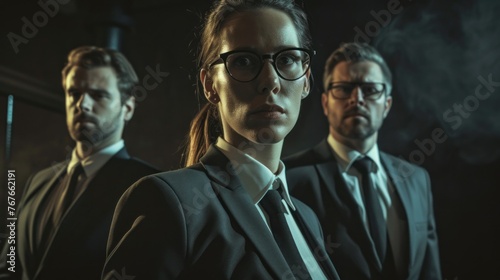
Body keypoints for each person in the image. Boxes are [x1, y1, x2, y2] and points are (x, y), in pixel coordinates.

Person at [102, 1, 340, 279]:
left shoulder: (307, 218)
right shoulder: (167, 203)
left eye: (286, 59)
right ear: (209, 85)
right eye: (243, 61)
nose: (270, 80)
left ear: (307, 79)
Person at [284, 42, 442, 279]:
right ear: (326, 103)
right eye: (344, 88)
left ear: (386, 104)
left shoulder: (417, 180)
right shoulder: (290, 177)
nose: (356, 99)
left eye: (370, 90)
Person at [0, 46, 159, 280]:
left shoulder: (149, 187)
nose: (82, 104)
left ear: (128, 108)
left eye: (99, 95)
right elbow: (9, 265)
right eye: (74, 93)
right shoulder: (39, 181)